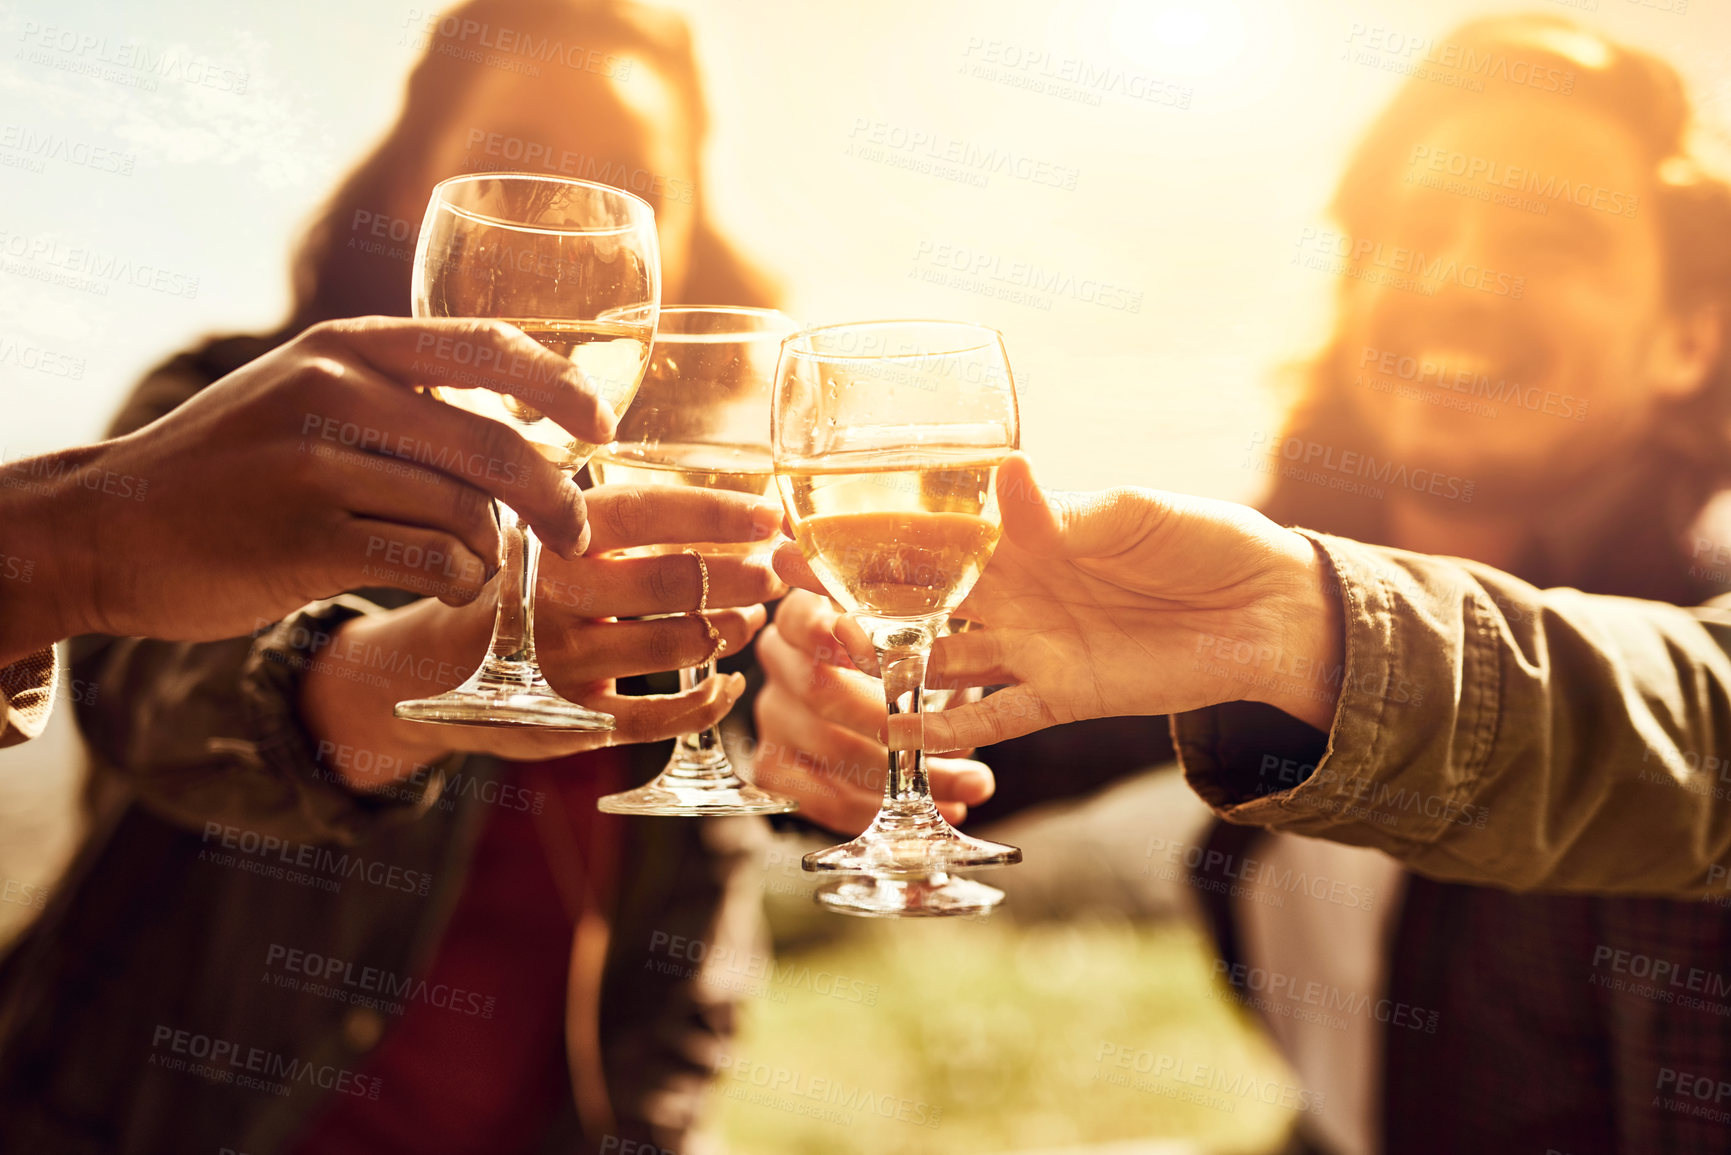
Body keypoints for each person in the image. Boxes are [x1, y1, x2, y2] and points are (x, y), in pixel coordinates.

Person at [757, 15, 1731, 1154]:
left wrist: (1321, 635)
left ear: (1687, 338)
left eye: (1549, 241)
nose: (1460, 278)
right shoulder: (1272, 564)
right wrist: (851, 732)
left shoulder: (1689, 607)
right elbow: (967, 735)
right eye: (1413, 231)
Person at [0, 2, 785, 1152]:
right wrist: (408, 670)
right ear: (420, 184)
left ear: (676, 221)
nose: (560, 226)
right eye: (511, 170)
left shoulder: (699, 506)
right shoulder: (234, 413)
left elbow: (722, 890)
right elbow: (147, 705)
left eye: (621, 180)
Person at [0, 316, 615, 746]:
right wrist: (76, 539)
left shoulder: (640, 482)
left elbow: (688, 860)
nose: (555, 240)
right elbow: (130, 702)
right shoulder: (230, 391)